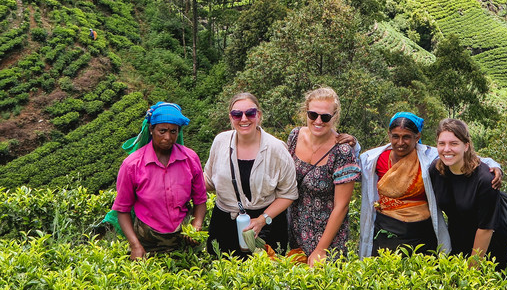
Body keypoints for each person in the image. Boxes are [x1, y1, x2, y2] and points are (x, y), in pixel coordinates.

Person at [359, 112, 502, 258]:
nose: (400, 142)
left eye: (406, 137)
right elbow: (351, 170)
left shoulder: (429, 158)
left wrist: (494, 166)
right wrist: (350, 142)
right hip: (385, 228)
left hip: (420, 232)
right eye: (396, 136)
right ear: (389, 135)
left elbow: (468, 157)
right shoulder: (372, 159)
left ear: (417, 137)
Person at [203, 92, 298, 256]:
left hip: (266, 226)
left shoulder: (276, 148)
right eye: (237, 114)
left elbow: (289, 194)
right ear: (230, 117)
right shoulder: (220, 142)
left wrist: (262, 220)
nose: (244, 119)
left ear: (259, 115)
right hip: (224, 224)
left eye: (250, 113)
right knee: (224, 277)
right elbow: (208, 181)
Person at [112, 102, 208, 260]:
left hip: (184, 238)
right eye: (162, 131)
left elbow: (200, 200)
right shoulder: (132, 165)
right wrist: (135, 245)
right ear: (151, 129)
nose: (168, 137)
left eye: (173, 131)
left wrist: (196, 225)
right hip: (148, 240)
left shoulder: (190, 159)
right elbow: (122, 209)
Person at [286, 87, 361, 266]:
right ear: (306, 113)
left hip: (328, 238)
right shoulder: (295, 136)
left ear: (334, 117)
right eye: (313, 115)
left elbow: (341, 206)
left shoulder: (342, 152)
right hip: (294, 232)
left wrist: (321, 249)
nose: (318, 121)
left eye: (325, 117)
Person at [429, 118, 507, 269]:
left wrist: (472, 269)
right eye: (442, 143)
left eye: (454, 143)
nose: (447, 149)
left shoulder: (485, 180)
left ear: (466, 146)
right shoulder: (436, 170)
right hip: (456, 244)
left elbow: (486, 228)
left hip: (488, 249)